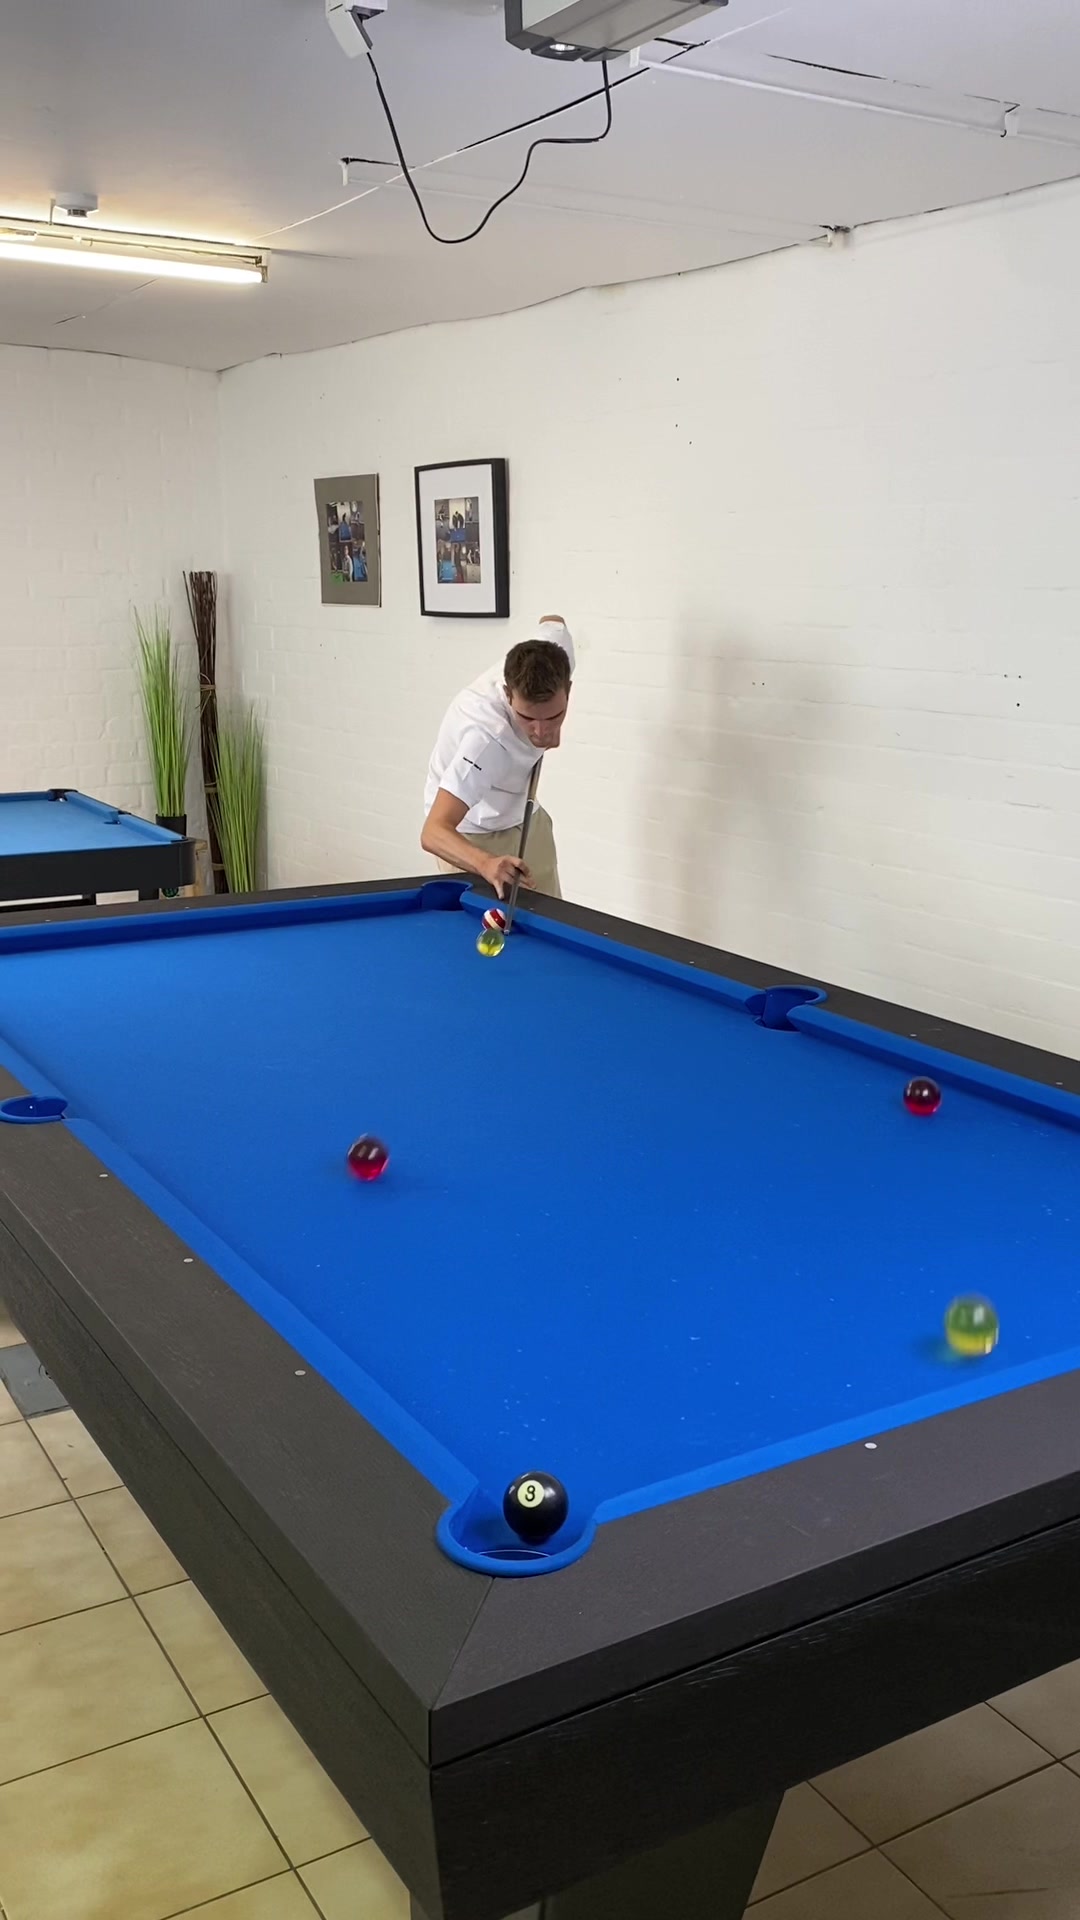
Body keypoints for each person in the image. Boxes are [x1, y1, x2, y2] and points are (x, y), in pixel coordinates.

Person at [421, 615, 573, 898]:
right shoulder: (486, 741)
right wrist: (485, 863)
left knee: (552, 915)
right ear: (507, 694)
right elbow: (433, 831)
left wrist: (552, 726)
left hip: (524, 816)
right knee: (493, 923)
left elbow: (553, 622)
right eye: (528, 718)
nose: (541, 731)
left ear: (568, 688)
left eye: (553, 716)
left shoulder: (554, 651)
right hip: (471, 833)